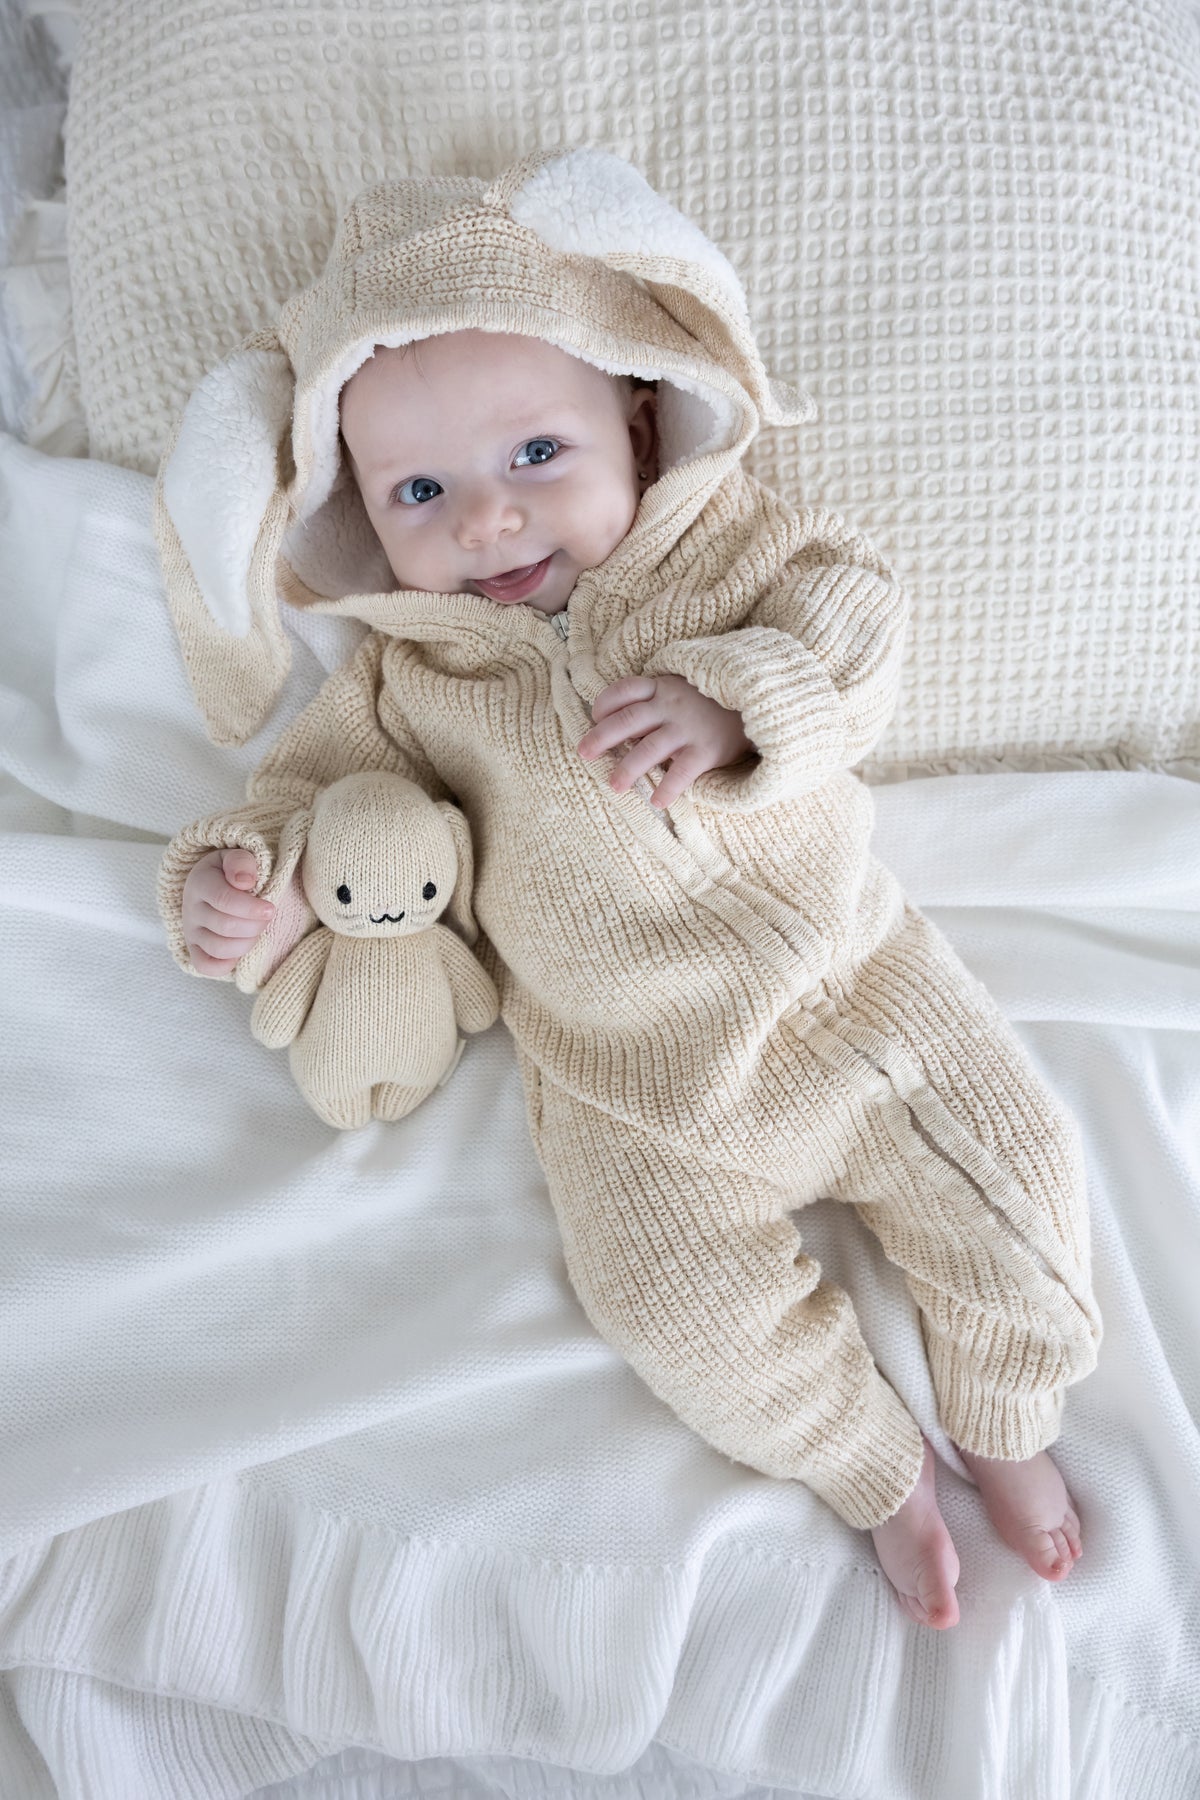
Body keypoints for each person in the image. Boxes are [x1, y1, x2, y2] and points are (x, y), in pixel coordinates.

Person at [156, 148, 1101, 1631]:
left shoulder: (719, 554)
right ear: (363, 525)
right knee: (674, 1309)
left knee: (1024, 1180)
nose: (488, 522)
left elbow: (857, 612)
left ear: (641, 420)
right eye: (422, 491)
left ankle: (1004, 1419)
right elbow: (308, 813)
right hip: (627, 1088)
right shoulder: (415, 681)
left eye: (537, 455)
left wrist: (743, 701)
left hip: (856, 993)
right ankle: (882, 1473)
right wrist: (249, 895)